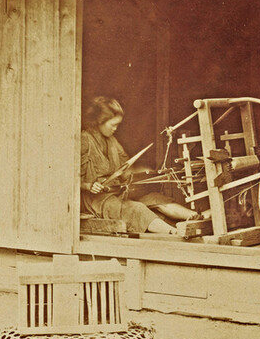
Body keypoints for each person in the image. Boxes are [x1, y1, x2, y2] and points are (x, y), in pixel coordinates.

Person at [80, 97, 199, 235]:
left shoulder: (112, 140)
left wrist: (146, 171)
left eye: (118, 125)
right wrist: (88, 185)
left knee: (154, 199)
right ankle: (174, 233)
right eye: (113, 125)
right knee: (135, 208)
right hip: (95, 200)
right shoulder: (84, 139)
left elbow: (125, 169)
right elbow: (68, 176)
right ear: (99, 122)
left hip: (116, 191)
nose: (115, 128)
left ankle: (196, 217)